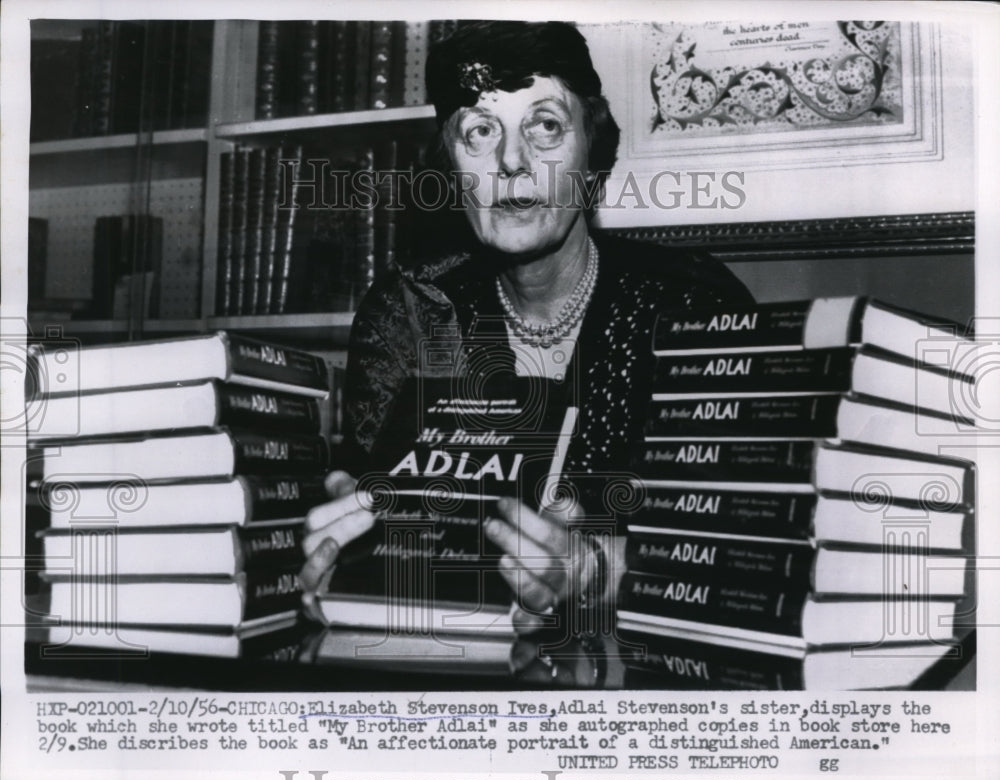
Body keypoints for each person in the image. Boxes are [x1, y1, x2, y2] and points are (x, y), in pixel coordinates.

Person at [300, 20, 753, 681]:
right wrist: (341, 549)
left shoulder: (693, 304)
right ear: (451, 166)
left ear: (591, 150)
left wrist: (598, 572)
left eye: (545, 126)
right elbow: (380, 520)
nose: (511, 162)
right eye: (480, 132)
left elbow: (750, 547)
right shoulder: (410, 311)